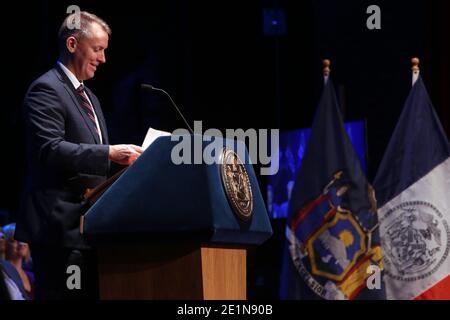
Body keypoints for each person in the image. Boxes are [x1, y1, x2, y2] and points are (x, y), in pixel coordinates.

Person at [15, 11, 143, 299]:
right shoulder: (46, 89)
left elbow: (94, 162)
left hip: (86, 228)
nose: (103, 59)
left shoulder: (90, 97)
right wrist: (109, 152)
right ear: (73, 44)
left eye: (105, 51)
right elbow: (49, 149)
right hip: (58, 229)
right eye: (98, 49)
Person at [2, 223, 34, 299]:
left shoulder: (32, 276)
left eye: (24, 239)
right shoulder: (3, 273)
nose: (21, 243)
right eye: (14, 241)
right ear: (4, 244)